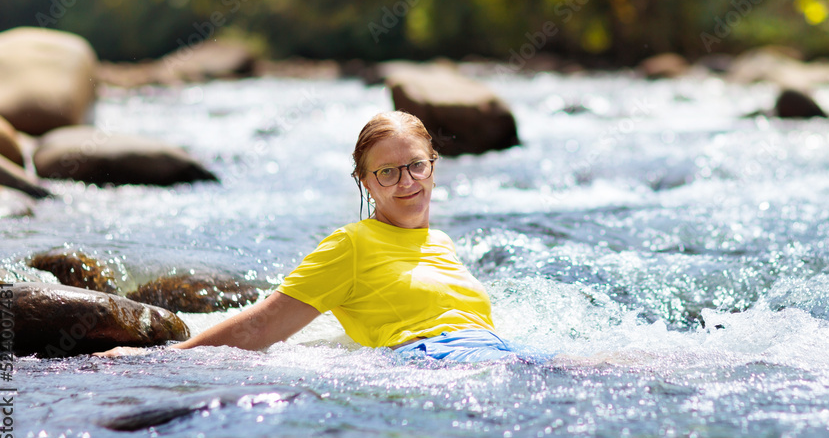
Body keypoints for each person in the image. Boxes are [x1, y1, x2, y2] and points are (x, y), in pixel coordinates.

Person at [96, 111, 547, 363]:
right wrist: (166, 358)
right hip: (435, 361)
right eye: (388, 172)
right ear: (366, 182)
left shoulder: (442, 242)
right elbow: (263, 324)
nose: (407, 181)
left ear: (433, 165)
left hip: (497, 351)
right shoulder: (351, 245)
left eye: (416, 165)